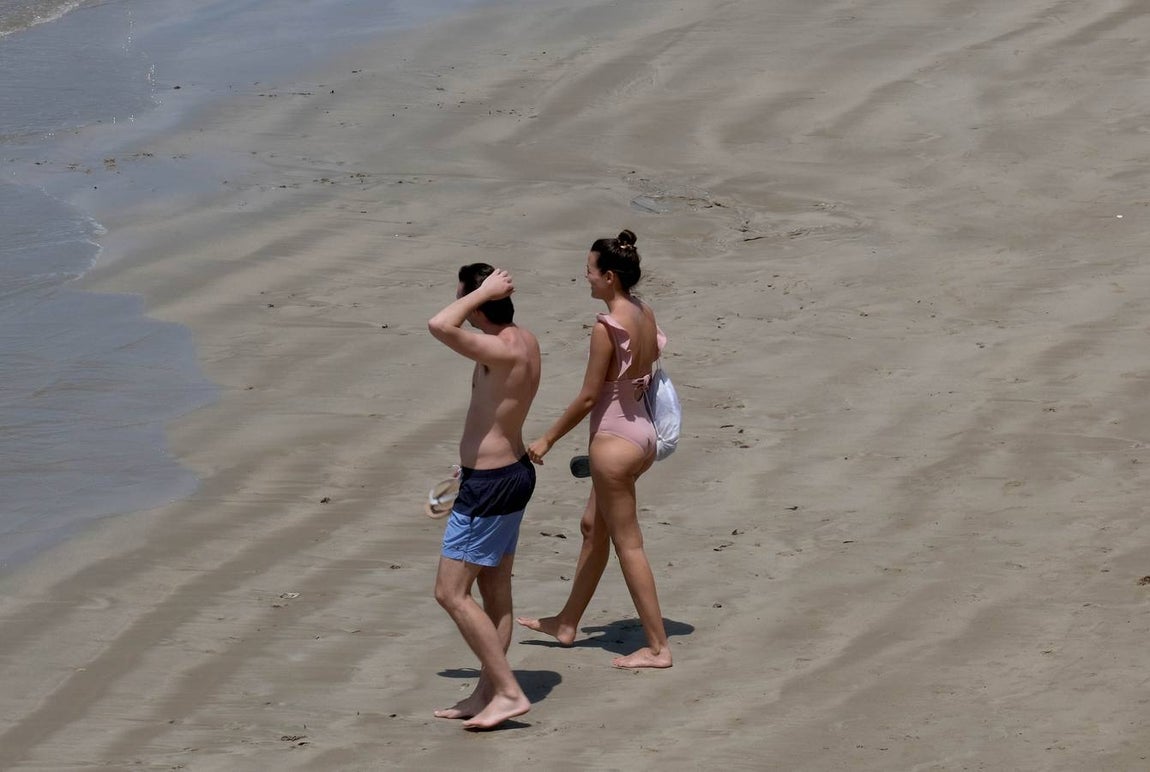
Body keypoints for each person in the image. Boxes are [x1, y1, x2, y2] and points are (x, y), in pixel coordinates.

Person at [517, 229, 672, 669]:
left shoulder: (607, 327)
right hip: (643, 435)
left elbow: (589, 397)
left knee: (629, 545)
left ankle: (658, 648)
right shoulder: (644, 310)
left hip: (614, 446)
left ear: (609, 277)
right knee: (592, 526)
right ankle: (567, 622)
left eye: (589, 270)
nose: (584, 277)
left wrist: (547, 438)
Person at [427, 264, 541, 729]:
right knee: (495, 592)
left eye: (463, 297)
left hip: (492, 486)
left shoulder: (500, 348)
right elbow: (495, 411)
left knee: (450, 592)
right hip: (506, 473)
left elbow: (439, 324)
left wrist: (479, 293)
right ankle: (486, 694)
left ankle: (509, 693)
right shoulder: (523, 339)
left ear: (478, 305)